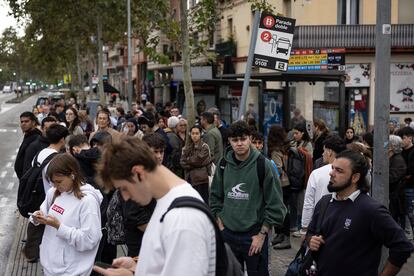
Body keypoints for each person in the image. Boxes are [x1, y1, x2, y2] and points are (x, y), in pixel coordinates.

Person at [94, 136, 216, 276]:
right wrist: (138, 267)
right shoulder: (168, 202)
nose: (125, 197)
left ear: (138, 173)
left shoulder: (182, 218)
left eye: (124, 188)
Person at [307, 150, 414, 276]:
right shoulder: (325, 202)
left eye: (339, 171)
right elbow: (311, 232)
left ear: (355, 177)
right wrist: (311, 240)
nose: (331, 173)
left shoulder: (371, 210)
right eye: (332, 168)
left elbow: (402, 247)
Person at [210, 120, 286, 275]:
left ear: (250, 139)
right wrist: (220, 224)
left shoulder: (264, 165)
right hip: (228, 234)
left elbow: (276, 204)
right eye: (235, 140)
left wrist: (262, 234)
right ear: (229, 141)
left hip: (254, 236)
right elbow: (215, 197)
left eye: (243, 139)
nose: (239, 144)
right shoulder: (223, 164)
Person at [30, 153, 103, 275]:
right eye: (52, 182)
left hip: (72, 270)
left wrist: (59, 227)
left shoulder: (87, 201)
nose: (55, 186)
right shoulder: (53, 192)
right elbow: (44, 211)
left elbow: (90, 240)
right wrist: (37, 217)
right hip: (50, 266)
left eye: (59, 181)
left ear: (73, 175)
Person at [301, 135, 346, 237]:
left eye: (324, 150)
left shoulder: (317, 174)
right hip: (342, 224)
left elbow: (308, 204)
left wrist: (304, 229)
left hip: (319, 226)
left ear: (329, 152)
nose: (322, 153)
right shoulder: (349, 173)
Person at [267, 125, 292, 249]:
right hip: (287, 183)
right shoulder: (285, 146)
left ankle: (284, 236)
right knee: (283, 208)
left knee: (282, 209)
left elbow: (278, 167)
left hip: (281, 183)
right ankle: (281, 234)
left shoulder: (275, 150)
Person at [180, 125, 213, 204]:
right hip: (190, 179)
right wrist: (196, 164)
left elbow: (197, 160)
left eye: (197, 133)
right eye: (193, 133)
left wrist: (189, 161)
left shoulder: (204, 147)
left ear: (200, 134)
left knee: (203, 202)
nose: (194, 136)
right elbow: (182, 162)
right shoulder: (188, 147)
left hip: (201, 180)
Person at [397, 127, 414, 236]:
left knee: (411, 216)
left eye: (403, 138)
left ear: (410, 138)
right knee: (403, 215)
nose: (401, 141)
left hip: (410, 188)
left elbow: (410, 170)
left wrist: (404, 174)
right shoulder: (401, 152)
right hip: (402, 189)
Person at [15, 111, 41, 180]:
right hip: (24, 179)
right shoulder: (28, 135)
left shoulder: (36, 138)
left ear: (33, 122)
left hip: (28, 180)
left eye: (26, 121)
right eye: (22, 122)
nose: (23, 124)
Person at [388, 135, 407, 225]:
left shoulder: (398, 160)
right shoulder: (390, 158)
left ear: (391, 147)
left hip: (395, 199)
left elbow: (392, 178)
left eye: (386, 143)